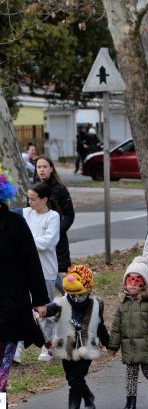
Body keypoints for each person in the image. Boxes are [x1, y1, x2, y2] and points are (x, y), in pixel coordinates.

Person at [0, 165, 50, 392]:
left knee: (1, 373)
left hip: (9, 309)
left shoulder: (15, 224)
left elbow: (31, 263)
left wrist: (40, 300)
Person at [37, 264, 110, 409]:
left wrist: (110, 344)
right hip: (66, 348)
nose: (75, 297)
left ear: (87, 288)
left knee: (76, 380)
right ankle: (89, 397)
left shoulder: (95, 305)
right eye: (72, 295)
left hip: (86, 349)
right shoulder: (62, 302)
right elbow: (50, 309)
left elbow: (100, 327)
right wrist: (41, 312)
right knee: (71, 378)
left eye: (79, 294)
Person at [108, 261, 148, 409]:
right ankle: (130, 402)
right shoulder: (123, 303)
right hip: (130, 345)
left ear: (144, 283)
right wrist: (113, 345)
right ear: (125, 281)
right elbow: (116, 326)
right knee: (131, 374)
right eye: (130, 279)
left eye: (137, 280)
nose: (132, 284)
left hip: (147, 344)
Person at [21, 182, 61, 362]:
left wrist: (26, 240)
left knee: (44, 310)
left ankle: (48, 346)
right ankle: (17, 348)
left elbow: (48, 242)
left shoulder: (53, 217)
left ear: (45, 200)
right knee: (21, 309)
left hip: (46, 272)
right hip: (25, 271)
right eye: (28, 198)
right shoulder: (25, 213)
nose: (29, 202)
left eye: (33, 199)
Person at [34, 155, 75, 293]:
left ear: (51, 169)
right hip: (37, 240)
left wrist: (56, 231)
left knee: (54, 275)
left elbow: (69, 215)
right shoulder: (33, 189)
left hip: (57, 242)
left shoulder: (60, 189)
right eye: (39, 167)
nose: (41, 170)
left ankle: (71, 299)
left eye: (45, 167)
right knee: (39, 274)